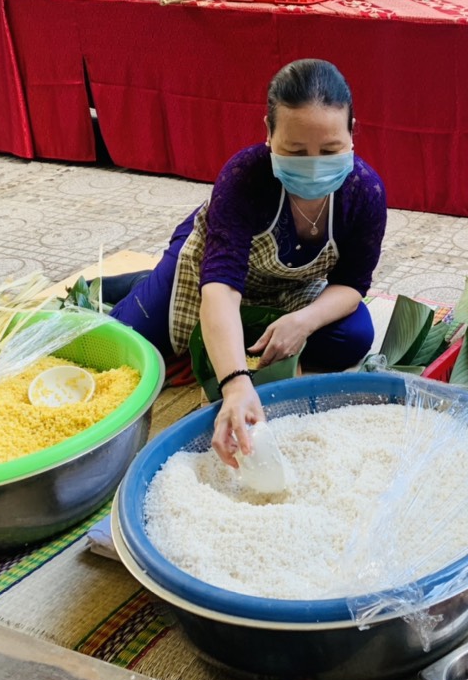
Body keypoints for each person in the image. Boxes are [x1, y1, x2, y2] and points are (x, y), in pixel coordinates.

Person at [105, 59, 388, 467]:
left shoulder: (364, 192)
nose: (313, 164)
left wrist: (302, 322)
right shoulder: (245, 176)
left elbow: (352, 283)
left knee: (355, 335)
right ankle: (147, 282)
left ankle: (160, 287)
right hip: (213, 267)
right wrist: (236, 384)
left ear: (352, 133)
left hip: (290, 283)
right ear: (269, 135)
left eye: (329, 151)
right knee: (127, 345)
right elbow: (220, 286)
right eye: (294, 150)